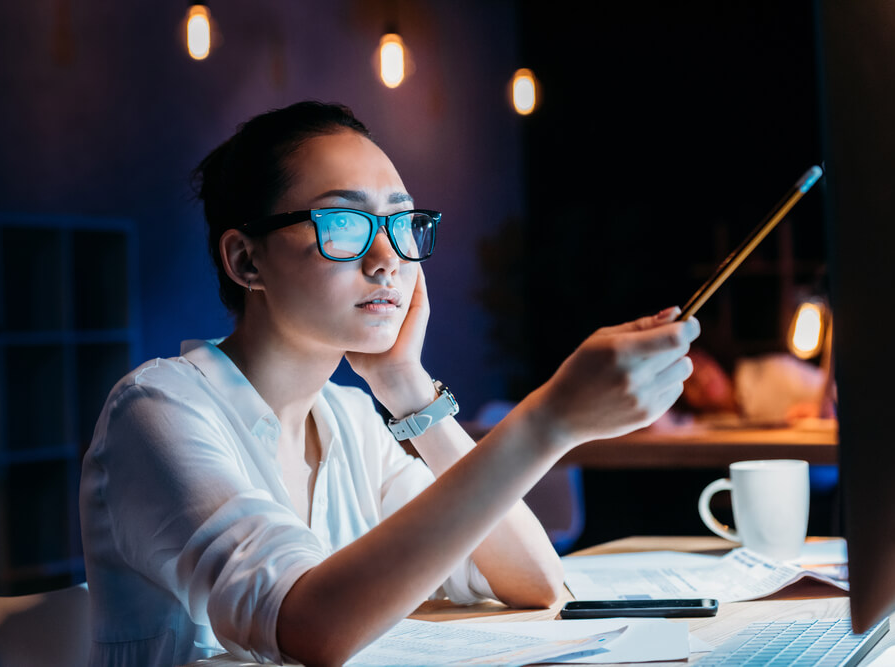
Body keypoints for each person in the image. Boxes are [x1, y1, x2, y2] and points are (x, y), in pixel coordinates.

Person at [79, 101, 700, 666]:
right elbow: (307, 628)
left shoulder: (350, 419)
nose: (387, 259)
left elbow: (533, 580)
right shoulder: (160, 408)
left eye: (402, 223)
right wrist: (547, 424)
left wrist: (408, 388)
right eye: (345, 224)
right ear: (245, 260)